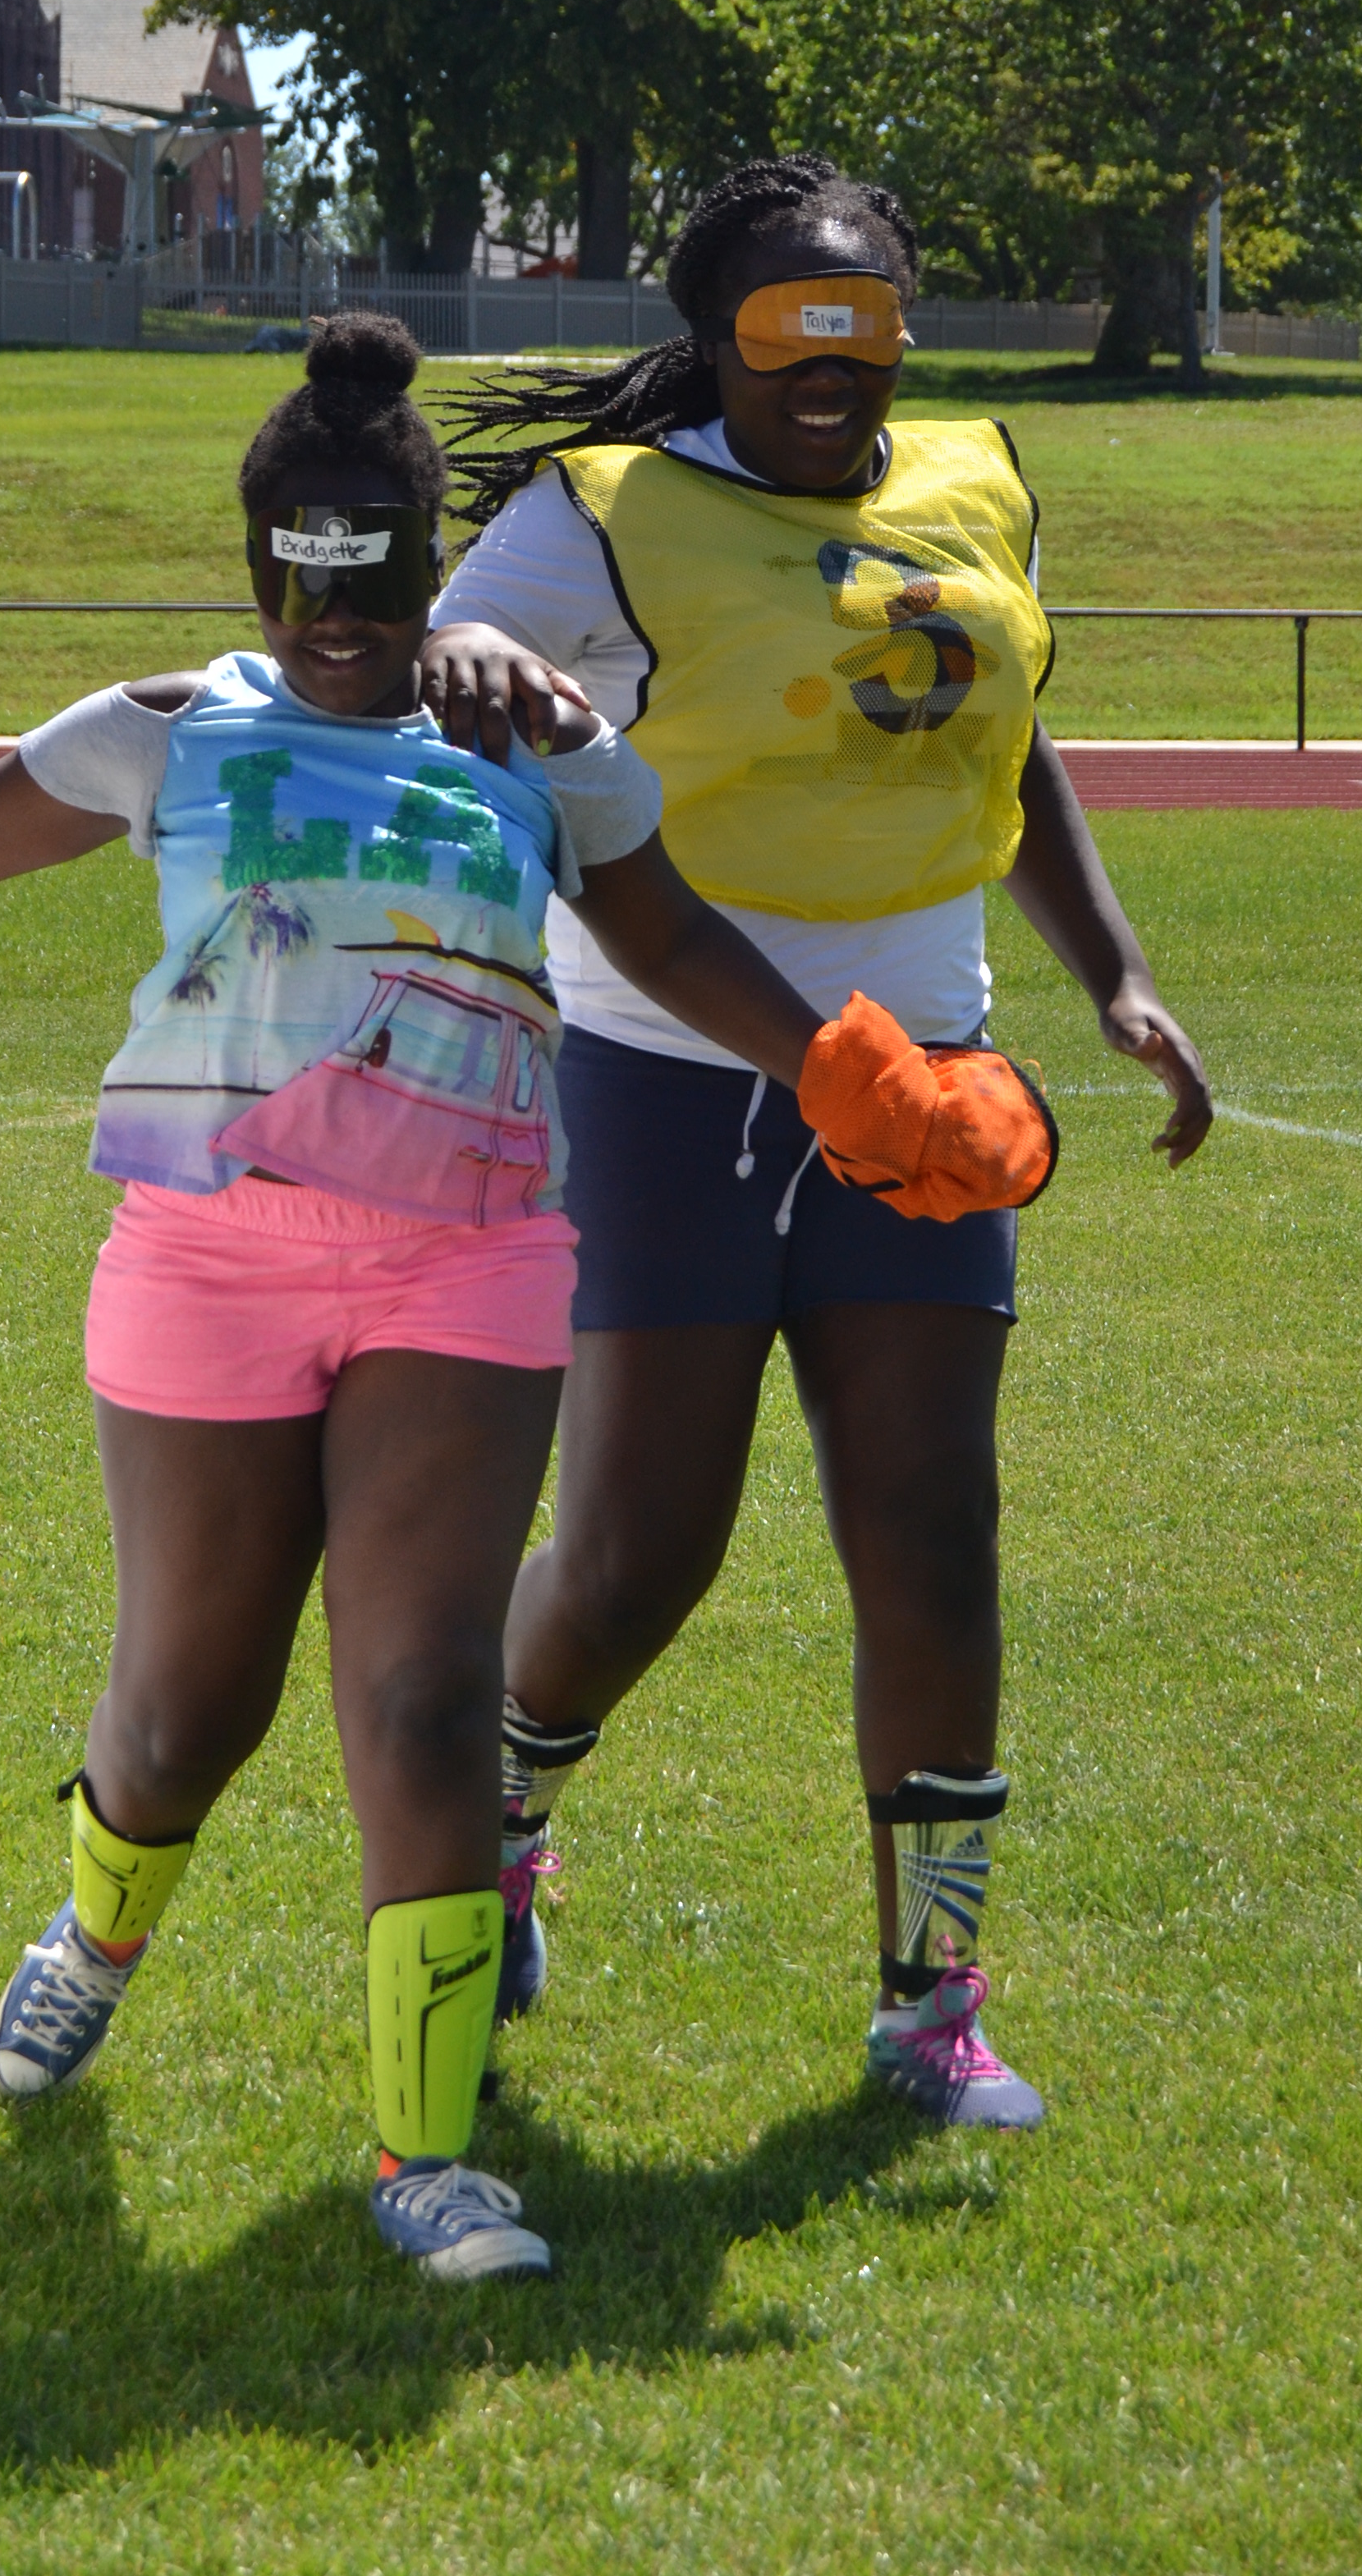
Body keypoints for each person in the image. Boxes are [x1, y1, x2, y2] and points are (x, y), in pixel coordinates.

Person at [0, 313, 1026, 2283]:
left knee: (419, 1704)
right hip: (208, 1264)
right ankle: (94, 1928)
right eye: (304, 580)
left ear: (434, 568)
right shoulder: (167, 725)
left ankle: (427, 2164)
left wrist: (856, 1078)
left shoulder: (532, 737)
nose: (341, 620)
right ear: (261, 573)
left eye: (381, 577)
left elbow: (662, 932)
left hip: (469, 1266)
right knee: (184, 1717)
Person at [420, 155, 1213, 2131]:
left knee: (936, 1534)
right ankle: (503, 1800)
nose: (834, 368)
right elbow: (427, 685)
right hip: (664, 1083)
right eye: (790, 332)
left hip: (929, 1084)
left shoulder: (974, 482)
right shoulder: (593, 517)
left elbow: (1001, 747)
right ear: (714, 340)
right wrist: (475, 675)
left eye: (868, 327)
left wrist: (1113, 974)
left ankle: (929, 2006)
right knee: (637, 1560)